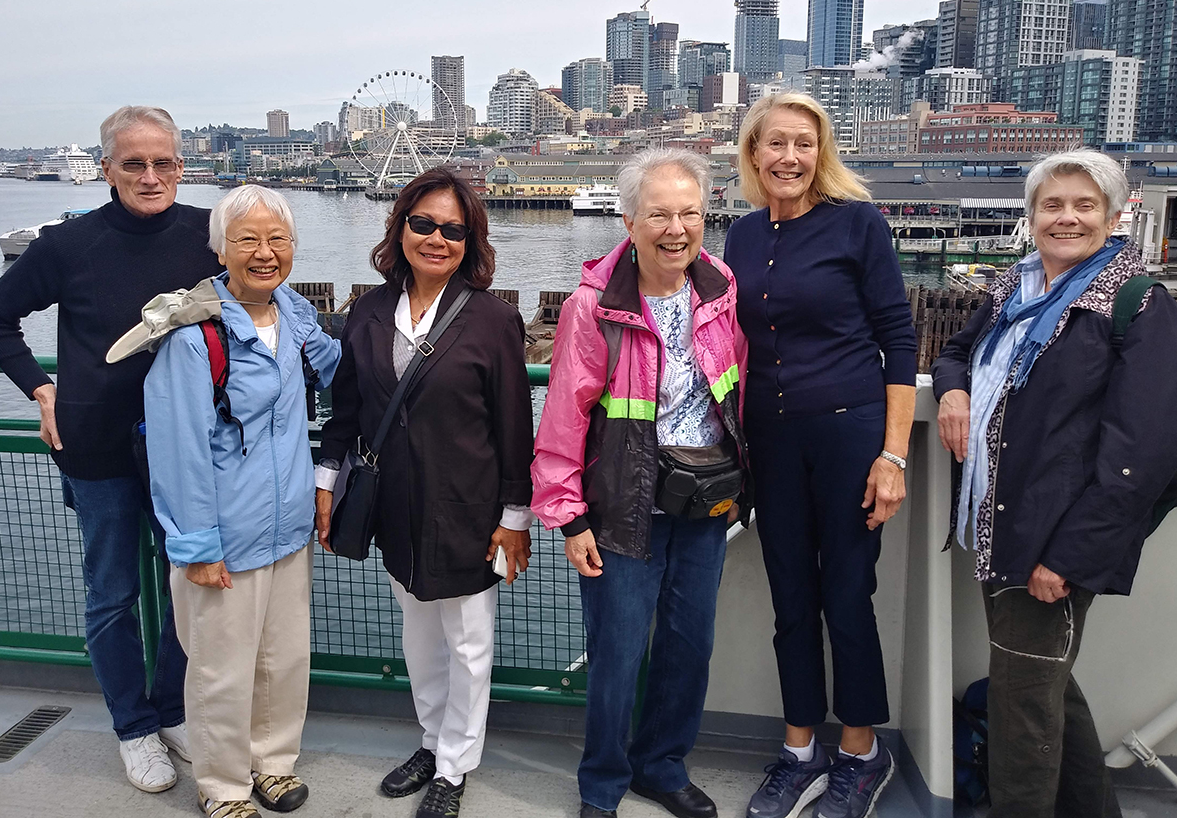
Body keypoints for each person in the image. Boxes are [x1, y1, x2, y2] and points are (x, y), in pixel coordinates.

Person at [0, 106, 222, 793]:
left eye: (163, 161)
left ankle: (172, 710)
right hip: (97, 443)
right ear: (107, 168)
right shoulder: (66, 244)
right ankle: (133, 727)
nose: (150, 175)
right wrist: (39, 388)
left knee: (186, 588)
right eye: (133, 163)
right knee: (111, 594)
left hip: (188, 449)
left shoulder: (210, 234)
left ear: (181, 161)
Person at [932, 150, 1177, 818]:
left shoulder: (1135, 303)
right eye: (1051, 205)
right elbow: (954, 354)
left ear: (1111, 214)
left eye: (1082, 205)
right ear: (1031, 215)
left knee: (1023, 709)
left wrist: (1067, 557)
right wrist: (952, 397)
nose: (1065, 217)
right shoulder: (1015, 288)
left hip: (1049, 539)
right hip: (998, 522)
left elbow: (1143, 452)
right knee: (1042, 681)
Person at [532, 147, 748, 818]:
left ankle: (662, 765)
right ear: (628, 221)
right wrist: (568, 516)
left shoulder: (720, 286)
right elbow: (564, 416)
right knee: (617, 655)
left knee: (689, 646)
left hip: (704, 502)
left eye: (689, 213)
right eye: (659, 214)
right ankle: (601, 782)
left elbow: (737, 390)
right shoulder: (592, 307)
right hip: (623, 508)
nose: (676, 228)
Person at [314, 167, 534, 818]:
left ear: (471, 241)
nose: (436, 237)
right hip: (396, 505)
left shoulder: (494, 320)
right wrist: (326, 483)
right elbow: (347, 412)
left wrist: (514, 517)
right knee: (418, 635)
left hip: (470, 509)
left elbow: (515, 426)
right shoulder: (368, 311)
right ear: (401, 225)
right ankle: (432, 740)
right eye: (424, 223)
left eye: (453, 229)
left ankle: (455, 765)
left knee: (468, 641)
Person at [725, 93, 917, 818]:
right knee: (789, 600)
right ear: (752, 153)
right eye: (774, 143)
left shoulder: (855, 223)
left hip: (847, 432)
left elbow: (898, 339)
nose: (789, 157)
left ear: (821, 151)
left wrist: (891, 456)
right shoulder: (739, 235)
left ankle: (861, 752)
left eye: (803, 143)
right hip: (769, 441)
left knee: (844, 594)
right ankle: (799, 749)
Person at [139, 185, 339, 818]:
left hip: (288, 530)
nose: (264, 253)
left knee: (283, 660)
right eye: (247, 239)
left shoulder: (296, 314)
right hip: (223, 535)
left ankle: (273, 764)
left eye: (277, 240)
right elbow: (178, 450)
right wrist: (195, 546)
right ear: (220, 248)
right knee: (221, 672)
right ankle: (223, 785)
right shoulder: (194, 336)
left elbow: (339, 372)